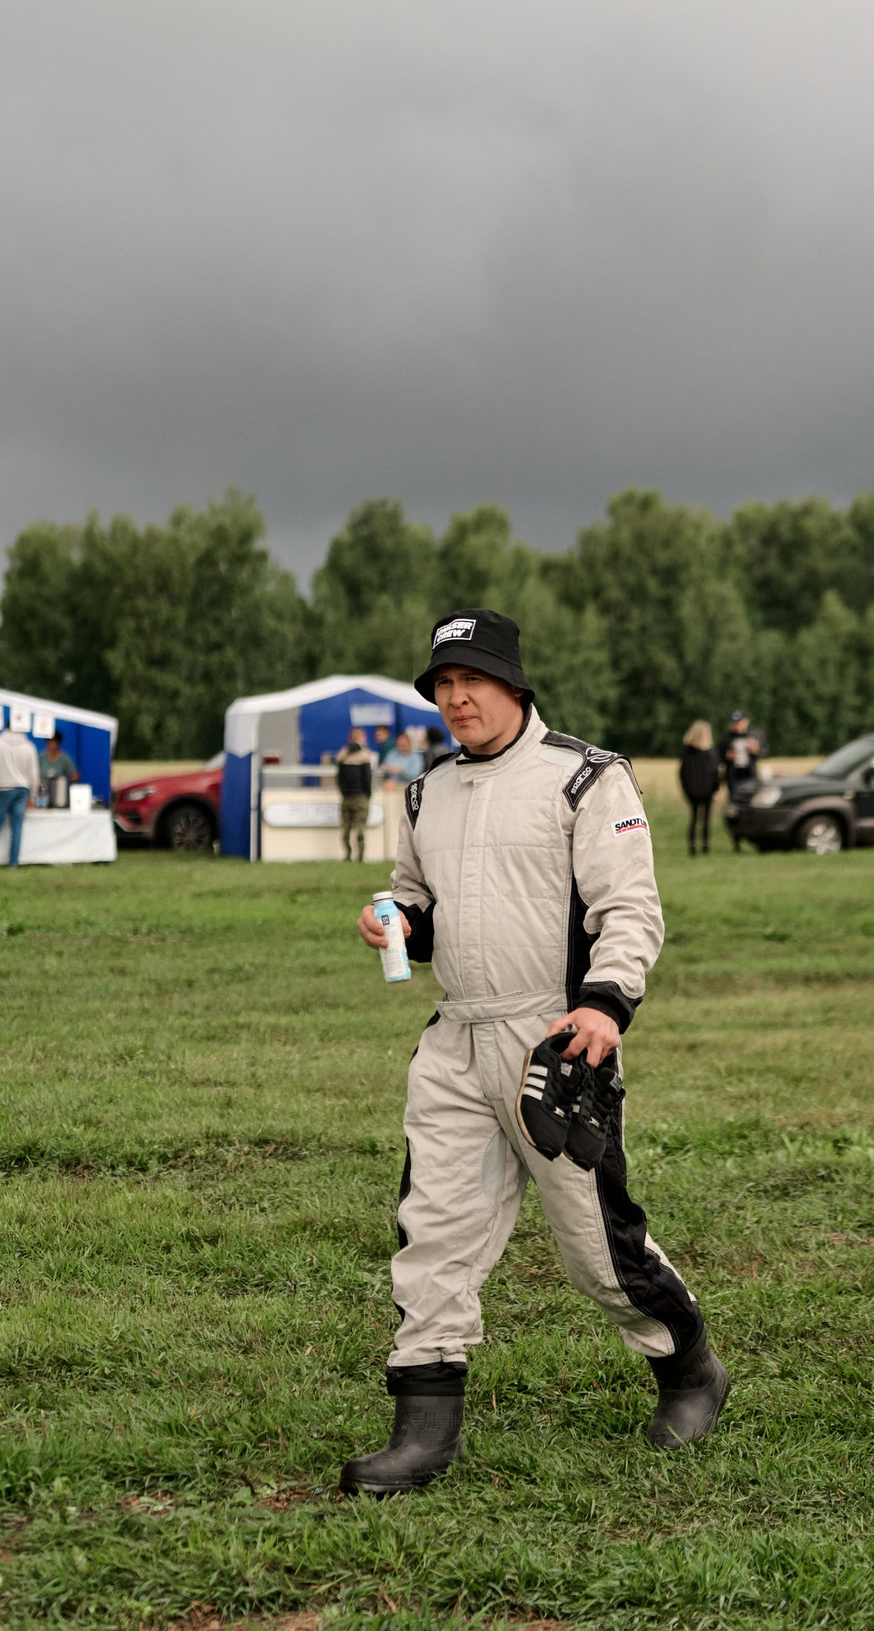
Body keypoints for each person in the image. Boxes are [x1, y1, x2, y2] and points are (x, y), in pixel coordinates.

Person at [343, 607, 726, 1496]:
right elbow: (418, 903)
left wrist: (606, 1005)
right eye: (443, 683)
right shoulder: (425, 793)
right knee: (432, 1232)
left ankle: (689, 1368)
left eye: (473, 679)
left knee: (597, 1251)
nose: (456, 697)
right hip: (455, 1040)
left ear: (514, 684)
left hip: (556, 1040)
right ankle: (423, 1431)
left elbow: (630, 910)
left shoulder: (587, 778)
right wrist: (396, 924)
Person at [0, 722, 41, 866]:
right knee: (17, 827)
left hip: (2, 788)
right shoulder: (29, 746)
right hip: (22, 790)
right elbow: (34, 774)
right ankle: (14, 862)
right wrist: (33, 795)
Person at [719, 709, 765, 851]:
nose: (737, 725)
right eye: (734, 723)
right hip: (734, 778)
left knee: (753, 807)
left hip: (750, 776)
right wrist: (727, 757)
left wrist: (755, 751)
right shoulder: (726, 738)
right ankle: (736, 841)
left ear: (746, 722)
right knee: (734, 810)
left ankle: (755, 838)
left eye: (739, 722)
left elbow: (765, 752)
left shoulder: (755, 735)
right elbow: (718, 756)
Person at [677, 720, 721, 857]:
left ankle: (692, 846)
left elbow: (682, 774)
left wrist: (687, 790)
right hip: (707, 791)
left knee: (694, 818)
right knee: (706, 819)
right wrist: (715, 789)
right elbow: (715, 773)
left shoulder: (686, 753)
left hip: (692, 791)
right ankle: (705, 845)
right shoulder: (710, 753)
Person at [335, 728, 378, 862]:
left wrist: (343, 792)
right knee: (360, 829)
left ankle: (347, 855)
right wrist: (368, 794)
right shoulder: (365, 756)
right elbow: (367, 778)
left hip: (346, 797)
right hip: (360, 797)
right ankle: (360, 856)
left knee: (346, 828)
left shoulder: (342, 755)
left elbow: (339, 778)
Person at [37, 732, 80, 809]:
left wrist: (71, 779)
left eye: (53, 743)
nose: (51, 745)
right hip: (42, 799)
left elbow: (75, 776)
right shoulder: (40, 757)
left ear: (58, 744)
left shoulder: (65, 759)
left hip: (60, 799)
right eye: (49, 743)